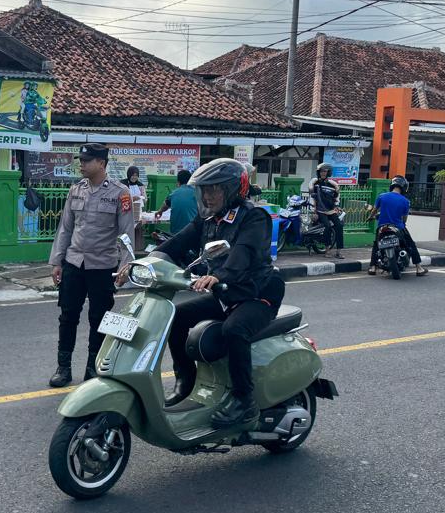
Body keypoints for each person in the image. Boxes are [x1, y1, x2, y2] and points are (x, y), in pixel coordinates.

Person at [130, 157, 284, 429]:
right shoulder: (208, 219)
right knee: (175, 316)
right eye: (205, 190)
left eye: (215, 189)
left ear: (233, 189)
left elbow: (243, 252)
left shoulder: (253, 217)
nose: (208, 196)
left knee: (234, 329)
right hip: (226, 294)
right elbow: (176, 243)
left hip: (256, 293)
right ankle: (185, 379)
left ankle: (244, 401)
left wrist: (219, 276)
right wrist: (141, 264)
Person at [48, 144, 135, 387]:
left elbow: (126, 233)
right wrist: (57, 261)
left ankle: (92, 368)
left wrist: (126, 265)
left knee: (99, 318)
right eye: (81, 160)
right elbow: (65, 228)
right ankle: (63, 368)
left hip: (103, 265)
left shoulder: (120, 193)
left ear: (101, 163)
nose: (82, 165)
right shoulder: (76, 190)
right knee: (68, 316)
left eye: (87, 161)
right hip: (74, 263)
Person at [367, 176, 427, 276]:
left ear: (392, 185)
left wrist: (370, 217)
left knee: (376, 245)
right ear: (404, 187)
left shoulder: (382, 196)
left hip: (382, 226)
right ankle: (419, 268)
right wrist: (402, 222)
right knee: (411, 244)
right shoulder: (405, 201)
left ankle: (373, 267)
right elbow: (404, 219)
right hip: (398, 227)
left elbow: (374, 210)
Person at [308, 162, 344, 259]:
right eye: (321, 171)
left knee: (339, 226)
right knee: (327, 226)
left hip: (331, 210)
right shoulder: (315, 183)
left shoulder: (333, 185)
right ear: (318, 172)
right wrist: (313, 211)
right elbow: (312, 196)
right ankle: (327, 250)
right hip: (320, 211)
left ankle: (339, 251)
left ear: (328, 173)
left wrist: (336, 206)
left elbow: (336, 198)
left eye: (325, 171)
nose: (323, 173)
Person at [155, 168, 197, 234]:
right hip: (193, 230)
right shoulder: (196, 192)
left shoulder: (174, 194)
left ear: (178, 182)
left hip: (176, 232)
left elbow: (166, 204)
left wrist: (160, 211)